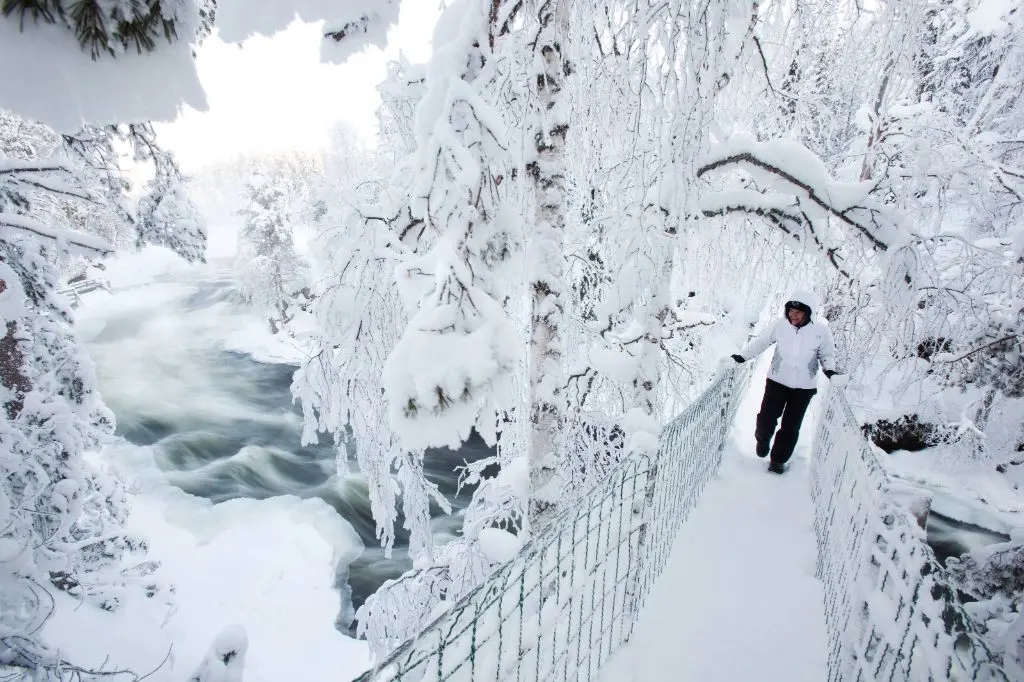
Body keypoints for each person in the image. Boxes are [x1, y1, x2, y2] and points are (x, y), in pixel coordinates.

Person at [730, 289, 840, 474]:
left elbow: (827, 355)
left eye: (798, 312)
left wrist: (830, 371)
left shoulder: (821, 332)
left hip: (804, 388)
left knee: (790, 426)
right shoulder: (780, 326)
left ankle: (778, 460)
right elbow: (761, 342)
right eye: (790, 311)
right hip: (777, 381)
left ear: (808, 313)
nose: (793, 315)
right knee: (766, 418)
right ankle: (762, 440)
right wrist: (742, 356)